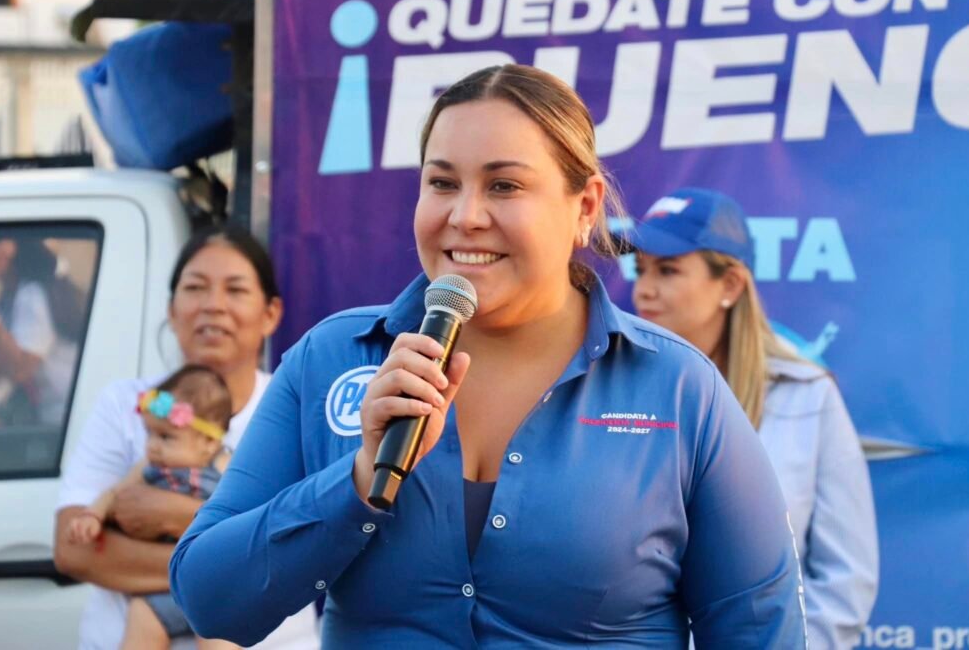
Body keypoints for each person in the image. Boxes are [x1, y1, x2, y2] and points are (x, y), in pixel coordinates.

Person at [169, 65, 807, 648]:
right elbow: (210, 601)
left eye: (504, 185)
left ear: (583, 208)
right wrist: (359, 478)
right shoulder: (330, 359)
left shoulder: (677, 389)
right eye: (442, 182)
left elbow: (760, 630)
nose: (465, 216)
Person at [625, 187, 878, 649]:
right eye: (640, 269)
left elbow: (847, 578)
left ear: (730, 286)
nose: (644, 288)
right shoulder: (612, 390)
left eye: (668, 270)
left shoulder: (807, 394)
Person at [54, 225, 320, 650]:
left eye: (235, 290)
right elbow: (74, 550)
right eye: (195, 288)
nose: (213, 306)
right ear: (172, 309)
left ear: (270, 314)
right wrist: (232, 562)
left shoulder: (302, 406)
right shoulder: (125, 404)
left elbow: (315, 546)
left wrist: (176, 513)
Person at [64, 365, 239, 650]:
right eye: (150, 434)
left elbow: (241, 516)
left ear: (209, 442)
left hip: (211, 586)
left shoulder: (227, 467)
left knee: (223, 637)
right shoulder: (148, 468)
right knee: (140, 632)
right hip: (157, 589)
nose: (153, 446)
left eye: (166, 437)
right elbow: (114, 493)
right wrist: (93, 515)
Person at [0, 236, 80, 427]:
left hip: (66, 415)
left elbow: (19, 368)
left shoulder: (32, 293)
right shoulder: (11, 296)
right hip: (51, 416)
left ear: (7, 248)